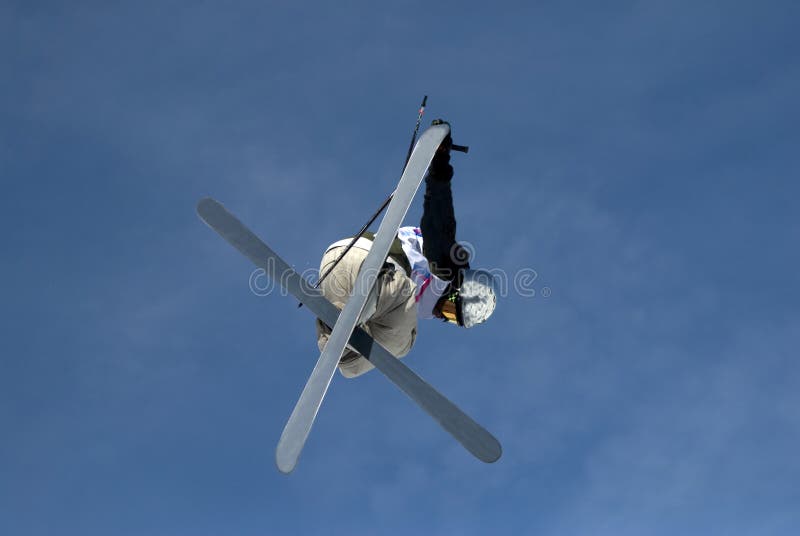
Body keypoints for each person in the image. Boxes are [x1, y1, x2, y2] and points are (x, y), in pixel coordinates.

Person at [316, 120, 498, 378]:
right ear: (458, 290)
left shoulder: (425, 289)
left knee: (349, 367)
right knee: (405, 341)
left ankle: (338, 335)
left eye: (451, 319)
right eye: (449, 310)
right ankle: (357, 314)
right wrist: (439, 164)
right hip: (372, 268)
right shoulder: (447, 268)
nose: (441, 316)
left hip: (335, 262)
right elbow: (438, 216)